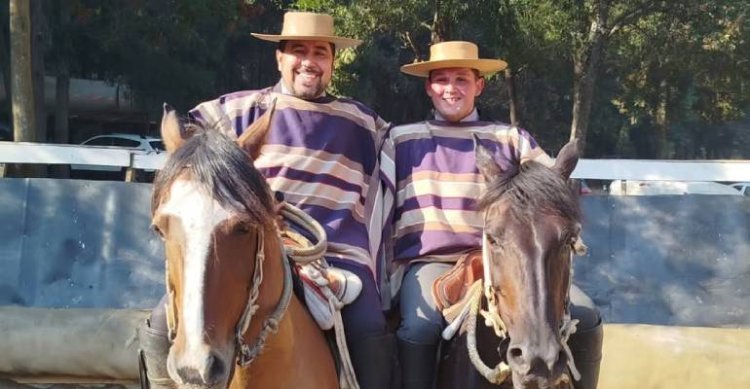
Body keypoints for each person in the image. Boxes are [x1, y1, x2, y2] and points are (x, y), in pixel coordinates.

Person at [138, 12, 394, 389]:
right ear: (279, 58)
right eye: (298, 51)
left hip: (338, 251)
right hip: (256, 243)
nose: (309, 61)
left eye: (320, 52)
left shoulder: (363, 122)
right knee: (161, 322)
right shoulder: (237, 111)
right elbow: (195, 157)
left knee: (368, 323)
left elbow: (403, 166)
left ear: (332, 61)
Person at [381, 41, 603, 389]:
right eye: (441, 79)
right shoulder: (400, 139)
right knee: (419, 327)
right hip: (430, 263)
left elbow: (553, 188)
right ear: (428, 86)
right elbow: (379, 206)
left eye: (461, 79)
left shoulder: (510, 139)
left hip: (508, 258)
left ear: (479, 86)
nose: (450, 88)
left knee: (587, 315)